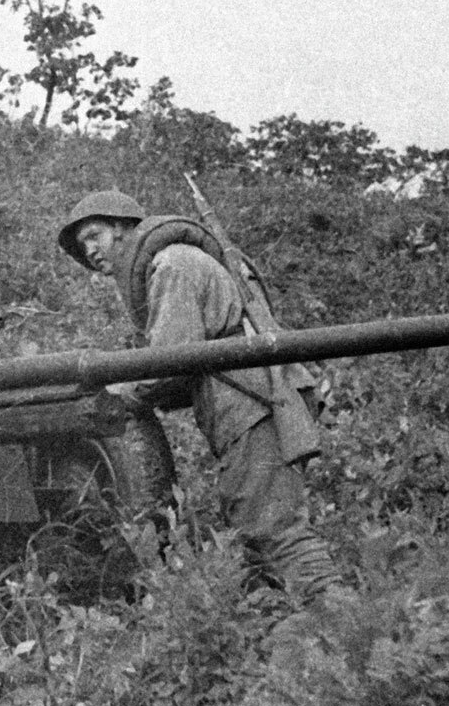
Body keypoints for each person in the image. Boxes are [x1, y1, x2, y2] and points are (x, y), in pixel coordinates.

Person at [58, 190, 341, 601]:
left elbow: (169, 361)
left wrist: (119, 394)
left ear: (121, 228)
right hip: (246, 403)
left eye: (94, 235)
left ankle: (335, 611)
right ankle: (300, 621)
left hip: (252, 404)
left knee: (273, 527)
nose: (90, 250)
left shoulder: (172, 265)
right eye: (83, 245)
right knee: (251, 523)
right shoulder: (171, 263)